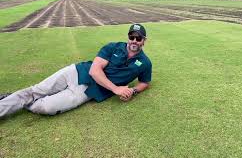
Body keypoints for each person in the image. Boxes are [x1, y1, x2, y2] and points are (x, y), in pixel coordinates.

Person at [0, 24, 152, 118]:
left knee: (45, 107)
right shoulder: (113, 46)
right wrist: (116, 89)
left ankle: (16, 99)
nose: (134, 41)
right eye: (132, 37)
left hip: (89, 92)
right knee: (36, 91)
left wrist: (133, 91)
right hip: (76, 72)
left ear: (144, 41)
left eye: (138, 38)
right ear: (128, 37)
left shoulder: (145, 63)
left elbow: (145, 82)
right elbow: (94, 70)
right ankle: (11, 102)